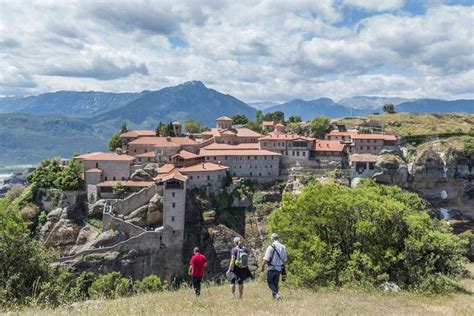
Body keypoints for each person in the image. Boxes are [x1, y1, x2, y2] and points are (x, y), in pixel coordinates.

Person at [261, 233, 287, 300]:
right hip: (279, 268)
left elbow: (266, 259)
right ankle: (275, 298)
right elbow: (285, 260)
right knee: (275, 283)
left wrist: (262, 267)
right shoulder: (283, 247)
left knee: (270, 282)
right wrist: (284, 269)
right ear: (278, 238)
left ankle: (276, 294)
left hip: (271, 268)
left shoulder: (271, 247)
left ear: (272, 238)